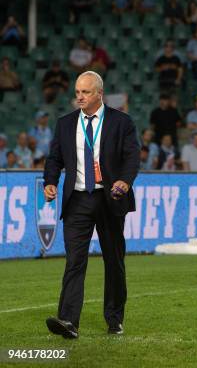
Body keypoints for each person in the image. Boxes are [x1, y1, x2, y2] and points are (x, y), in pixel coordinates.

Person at [43, 71, 140, 339]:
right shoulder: (65, 124)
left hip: (110, 198)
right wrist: (50, 182)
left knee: (113, 260)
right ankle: (68, 321)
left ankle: (114, 318)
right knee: (74, 260)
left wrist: (124, 181)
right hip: (77, 200)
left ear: (99, 93)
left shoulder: (122, 122)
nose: (79, 97)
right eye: (77, 92)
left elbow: (132, 158)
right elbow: (54, 159)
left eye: (85, 92)